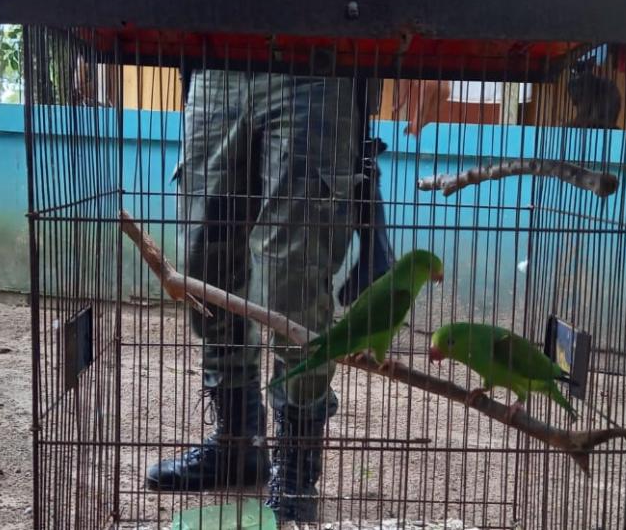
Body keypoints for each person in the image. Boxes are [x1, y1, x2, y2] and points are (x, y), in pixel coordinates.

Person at [145, 65, 447, 523]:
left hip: (318, 64)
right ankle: (236, 441)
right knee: (201, 264)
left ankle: (296, 468)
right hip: (215, 61)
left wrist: (420, 58)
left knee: (295, 282)